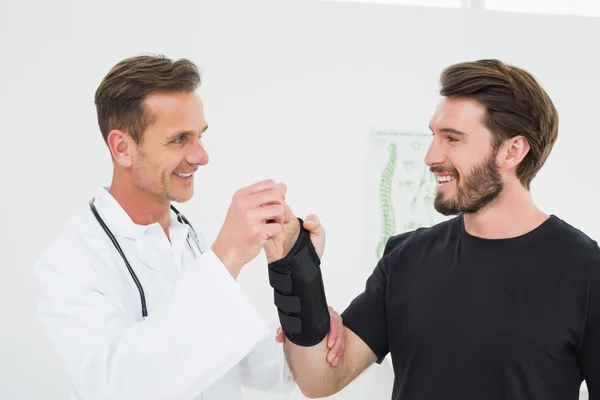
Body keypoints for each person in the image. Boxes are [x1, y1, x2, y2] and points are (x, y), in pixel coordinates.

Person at [264, 59, 600, 400]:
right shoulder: (407, 257)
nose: (430, 156)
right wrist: (294, 265)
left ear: (512, 151)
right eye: (434, 136)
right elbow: (319, 379)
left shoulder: (586, 270)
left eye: (452, 139)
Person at [33, 54, 346, 400]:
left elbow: (262, 367)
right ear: (122, 148)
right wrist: (227, 255)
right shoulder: (70, 261)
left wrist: (301, 283)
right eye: (180, 139)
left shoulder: (189, 237)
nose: (201, 156)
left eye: (200, 136)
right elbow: (114, 388)